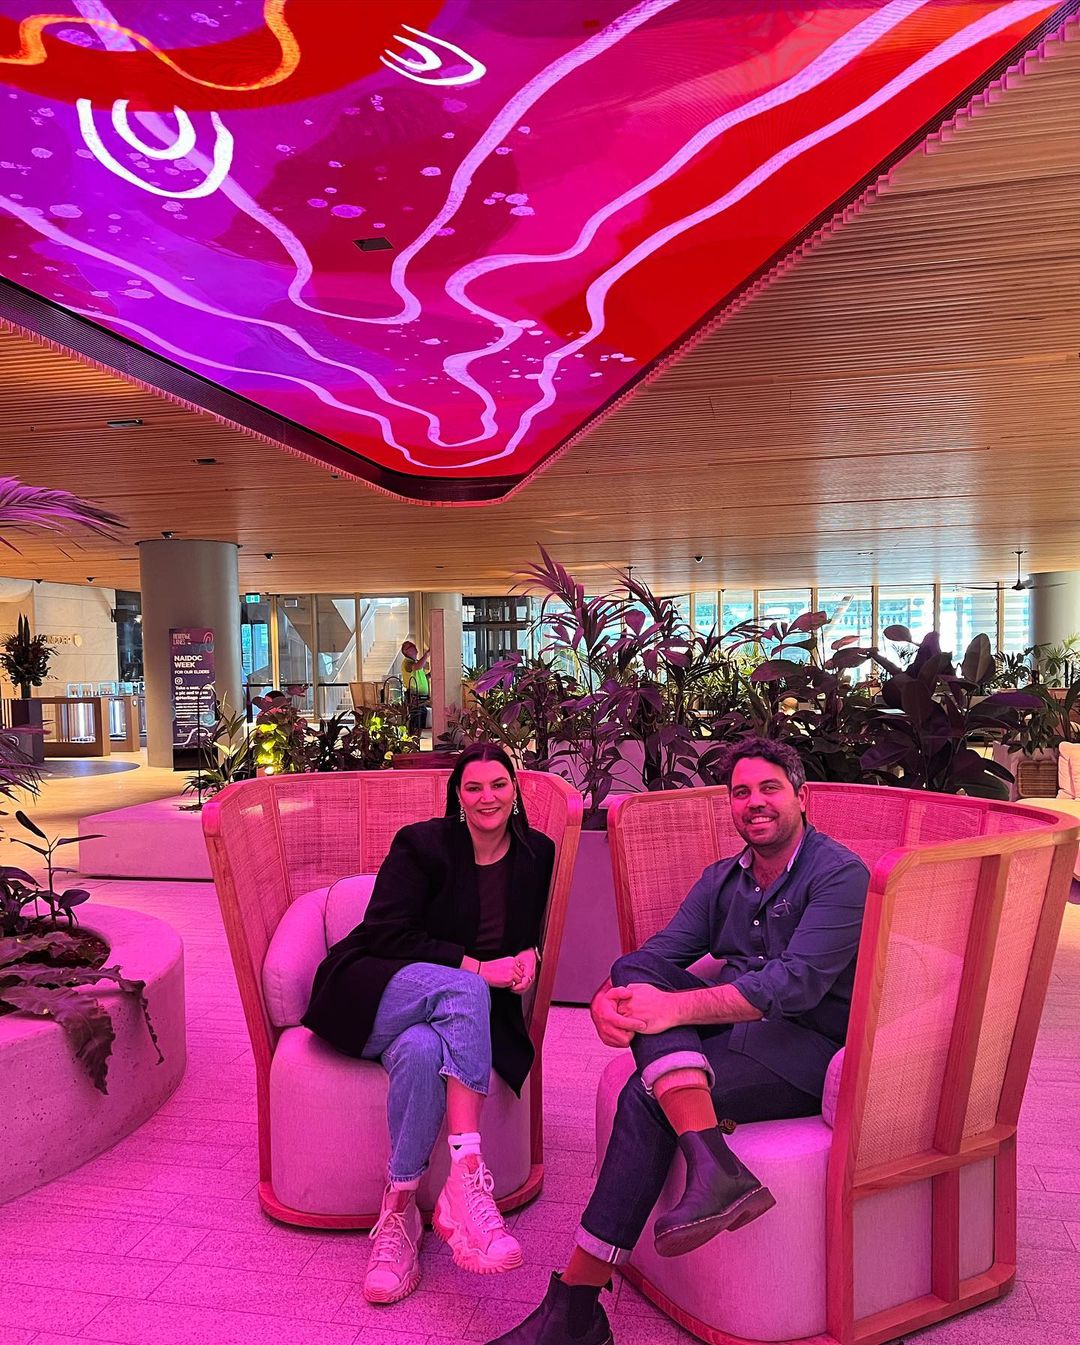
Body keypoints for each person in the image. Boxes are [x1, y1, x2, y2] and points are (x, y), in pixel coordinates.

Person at [488, 736, 870, 1345]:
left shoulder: (841, 873)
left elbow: (795, 987)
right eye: (741, 792)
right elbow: (656, 957)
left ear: (802, 797)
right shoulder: (724, 879)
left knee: (647, 1095)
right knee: (639, 973)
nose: (754, 803)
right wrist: (606, 996)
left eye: (770, 788)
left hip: (805, 1052)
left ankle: (576, 1305)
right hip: (737, 1030)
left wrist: (674, 1007)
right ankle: (712, 1163)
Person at [302, 742, 555, 1305]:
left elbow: (531, 932)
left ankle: (400, 1213)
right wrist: (478, 969)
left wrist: (529, 956)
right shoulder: (422, 845)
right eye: (473, 787)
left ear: (516, 790)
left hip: (443, 1021)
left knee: (420, 1053)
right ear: (457, 796)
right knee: (466, 987)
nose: (486, 797)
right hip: (374, 990)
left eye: (498, 784)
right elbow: (387, 933)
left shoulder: (537, 854)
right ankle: (467, 1176)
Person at [400, 639, 430, 734]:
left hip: (421, 698)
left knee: (421, 722)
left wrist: (430, 675)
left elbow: (421, 676)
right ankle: (414, 742)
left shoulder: (415, 662)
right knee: (416, 721)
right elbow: (417, 667)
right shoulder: (408, 663)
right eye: (411, 647)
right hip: (414, 698)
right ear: (406, 652)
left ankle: (417, 741)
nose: (414, 647)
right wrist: (427, 654)